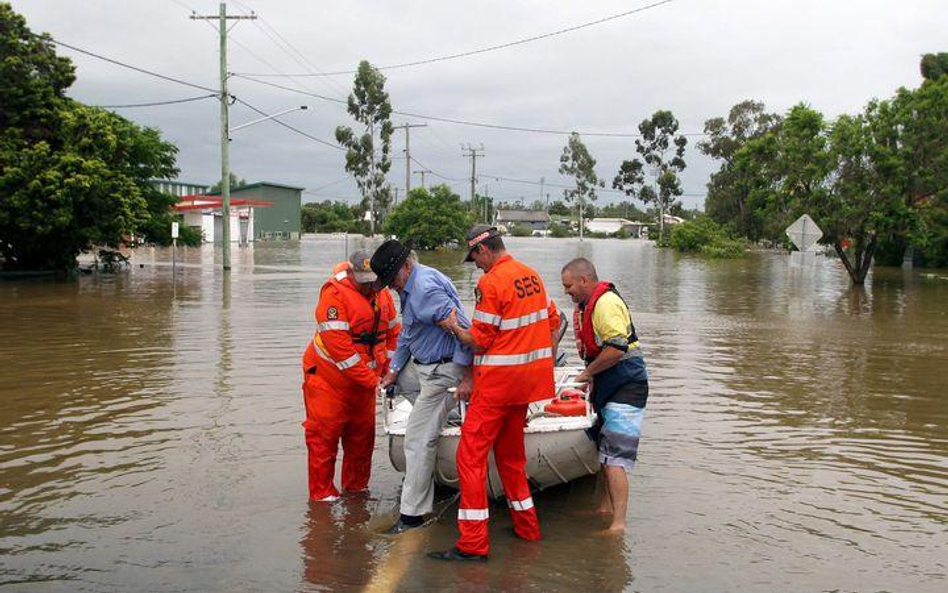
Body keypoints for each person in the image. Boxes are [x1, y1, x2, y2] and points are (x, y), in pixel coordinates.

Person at [429, 225, 560, 562]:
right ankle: (527, 528)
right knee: (511, 459)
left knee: (469, 459)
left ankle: (472, 544)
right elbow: (553, 321)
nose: (476, 266)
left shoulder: (491, 282)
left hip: (497, 386)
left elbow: (481, 339)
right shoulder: (532, 277)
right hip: (526, 387)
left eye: (475, 259)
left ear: (484, 250)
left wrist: (455, 328)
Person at [370, 239, 474, 534]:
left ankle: (413, 516)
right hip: (424, 367)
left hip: (443, 372)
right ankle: (446, 416)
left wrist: (467, 376)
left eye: (392, 280)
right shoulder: (413, 284)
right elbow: (407, 333)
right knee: (399, 382)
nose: (391, 287)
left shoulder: (425, 289)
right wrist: (392, 371)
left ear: (406, 266)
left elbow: (463, 330)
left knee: (415, 440)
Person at [300, 250, 399, 502]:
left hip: (365, 384)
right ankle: (322, 500)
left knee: (362, 442)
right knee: (324, 440)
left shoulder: (382, 294)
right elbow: (342, 353)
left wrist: (391, 369)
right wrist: (374, 381)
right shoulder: (333, 297)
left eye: (372, 281)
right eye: (363, 280)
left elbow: (393, 334)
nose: (368, 286)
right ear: (351, 272)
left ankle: (356, 494)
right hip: (328, 381)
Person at [560, 257, 648, 533]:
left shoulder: (606, 303)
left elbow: (616, 349)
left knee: (615, 458)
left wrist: (587, 374)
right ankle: (603, 508)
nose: (566, 291)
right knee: (604, 452)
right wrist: (594, 378)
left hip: (628, 384)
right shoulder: (589, 305)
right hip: (611, 383)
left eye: (568, 285)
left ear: (584, 280)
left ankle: (618, 525)